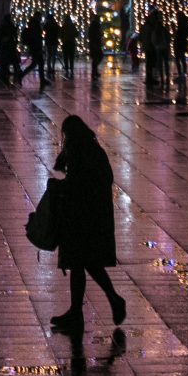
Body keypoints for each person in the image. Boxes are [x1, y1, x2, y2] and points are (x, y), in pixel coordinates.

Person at [49, 115, 125, 332]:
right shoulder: (91, 149)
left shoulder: (81, 152)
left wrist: (62, 188)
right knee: (83, 264)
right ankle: (78, 311)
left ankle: (107, 301)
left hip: (85, 217)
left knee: (83, 263)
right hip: (91, 216)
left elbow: (79, 184)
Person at [18, 12, 46, 88]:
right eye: (40, 16)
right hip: (36, 48)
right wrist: (39, 48)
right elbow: (36, 38)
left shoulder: (33, 24)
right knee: (39, 64)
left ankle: (21, 76)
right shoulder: (35, 25)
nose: (41, 18)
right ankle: (42, 80)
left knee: (35, 64)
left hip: (34, 47)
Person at [0, 12, 19, 85]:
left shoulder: (4, 26)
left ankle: (4, 71)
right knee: (12, 59)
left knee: (5, 59)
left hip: (6, 45)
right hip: (9, 45)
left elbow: (0, 35)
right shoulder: (9, 26)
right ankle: (10, 71)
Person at [173, 11, 188, 83]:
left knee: (179, 59)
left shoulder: (181, 25)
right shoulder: (185, 25)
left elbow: (181, 34)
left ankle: (182, 75)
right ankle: (182, 75)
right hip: (182, 43)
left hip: (179, 43)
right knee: (182, 59)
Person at [60, 13, 78, 79]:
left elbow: (60, 34)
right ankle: (71, 68)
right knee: (71, 57)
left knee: (65, 56)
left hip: (65, 42)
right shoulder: (72, 26)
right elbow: (76, 34)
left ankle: (67, 68)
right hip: (71, 42)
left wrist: (63, 38)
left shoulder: (63, 26)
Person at [44, 13, 61, 80]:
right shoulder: (55, 24)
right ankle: (52, 67)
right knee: (53, 55)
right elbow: (58, 31)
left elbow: (44, 30)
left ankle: (49, 67)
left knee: (49, 55)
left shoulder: (47, 24)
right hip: (54, 41)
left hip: (48, 41)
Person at [88, 11, 104, 83]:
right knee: (97, 57)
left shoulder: (95, 25)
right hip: (95, 44)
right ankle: (94, 72)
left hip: (95, 43)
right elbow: (93, 35)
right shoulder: (95, 25)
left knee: (97, 58)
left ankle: (94, 71)